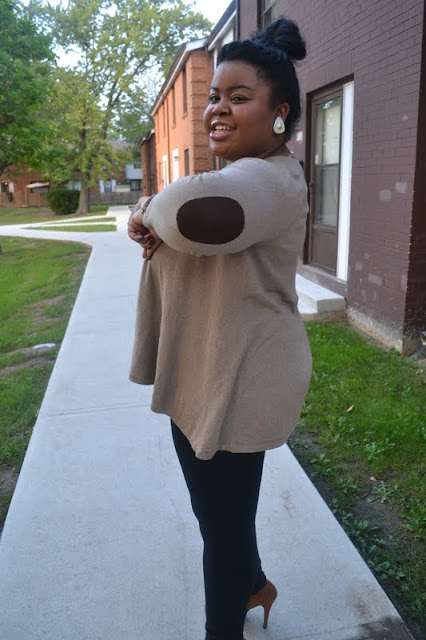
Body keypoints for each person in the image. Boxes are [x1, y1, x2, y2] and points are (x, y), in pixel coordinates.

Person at [128, 17, 312, 640]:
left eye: (238, 97)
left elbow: (190, 215)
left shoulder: (272, 179)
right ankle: (255, 583)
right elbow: (181, 212)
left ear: (280, 114)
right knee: (221, 517)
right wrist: (151, 212)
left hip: (242, 379)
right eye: (213, 96)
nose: (217, 109)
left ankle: (225, 625)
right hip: (204, 368)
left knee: (220, 530)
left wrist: (147, 209)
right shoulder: (236, 173)